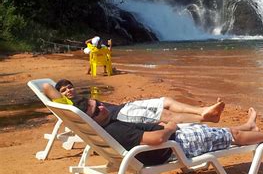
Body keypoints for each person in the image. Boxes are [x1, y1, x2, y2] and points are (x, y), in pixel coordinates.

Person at [77, 96, 263, 165]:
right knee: (233, 137)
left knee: (217, 132)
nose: (102, 107)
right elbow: (155, 139)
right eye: (97, 110)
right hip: (174, 146)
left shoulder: (104, 127)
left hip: (171, 143)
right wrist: (170, 127)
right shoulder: (116, 130)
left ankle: (249, 126)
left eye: (98, 102)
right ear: (91, 119)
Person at [43, 79, 225, 125]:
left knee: (166, 100)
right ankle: (206, 118)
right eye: (64, 90)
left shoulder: (80, 101)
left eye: (70, 86)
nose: (69, 90)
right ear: (60, 96)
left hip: (124, 108)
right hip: (120, 116)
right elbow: (45, 86)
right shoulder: (68, 105)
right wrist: (61, 98)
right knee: (165, 114)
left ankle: (203, 110)